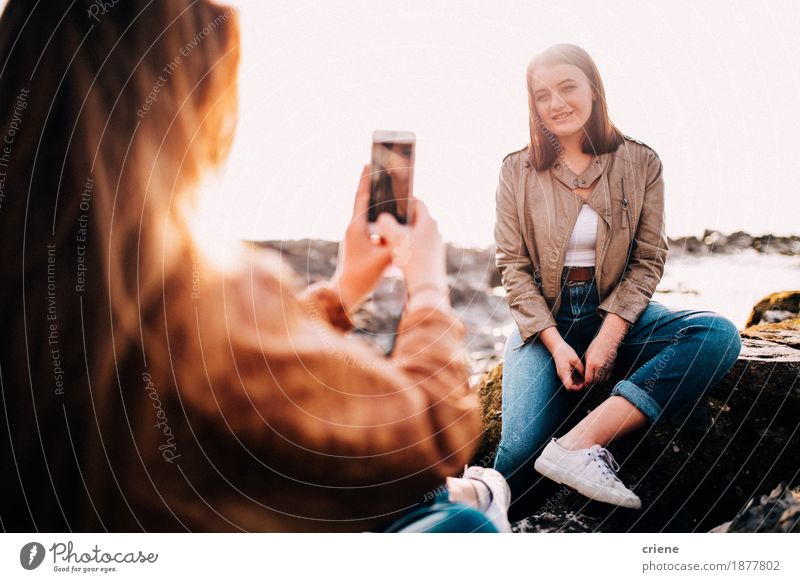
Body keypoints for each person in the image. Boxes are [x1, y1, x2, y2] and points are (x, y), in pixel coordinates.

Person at [0, 0, 510, 533]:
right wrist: (427, 285)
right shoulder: (200, 293)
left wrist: (343, 288)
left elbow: (240, 373)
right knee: (459, 521)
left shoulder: (54, 285)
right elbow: (426, 434)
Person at [492, 44, 742, 509]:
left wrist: (610, 334)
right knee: (520, 456)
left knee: (718, 335)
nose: (556, 103)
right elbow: (513, 267)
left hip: (621, 313)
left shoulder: (641, 162)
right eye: (542, 95)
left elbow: (648, 258)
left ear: (594, 89)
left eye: (568, 87)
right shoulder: (516, 169)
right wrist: (555, 342)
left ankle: (581, 443)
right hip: (545, 322)